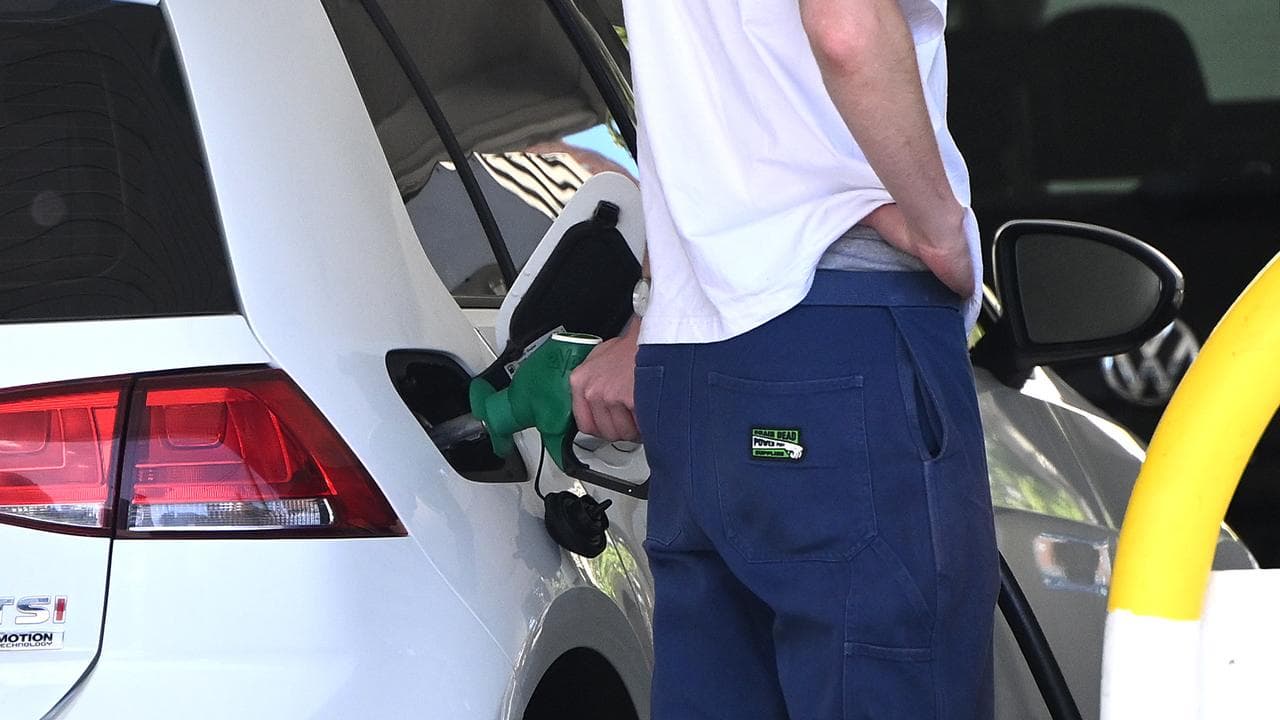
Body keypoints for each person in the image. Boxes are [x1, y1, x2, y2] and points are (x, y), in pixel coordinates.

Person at [569, 1, 998, 718]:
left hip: (696, 355)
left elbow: (705, 103)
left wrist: (660, 305)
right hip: (841, 328)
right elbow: (845, 27)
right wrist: (940, 226)